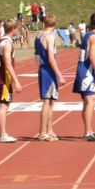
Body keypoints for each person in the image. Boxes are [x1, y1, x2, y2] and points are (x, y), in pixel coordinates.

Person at [73, 11, 95, 141]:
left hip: (83, 70)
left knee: (87, 102)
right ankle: (87, 132)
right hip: (87, 72)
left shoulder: (86, 35)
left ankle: (89, 130)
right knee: (90, 102)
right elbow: (92, 56)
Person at [35, 14, 64, 142]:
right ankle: (42, 132)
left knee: (51, 101)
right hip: (48, 70)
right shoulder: (50, 37)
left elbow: (36, 55)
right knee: (47, 102)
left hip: (43, 68)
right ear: (54, 24)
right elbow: (51, 58)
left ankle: (49, 130)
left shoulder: (38, 35)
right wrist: (60, 75)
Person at [0, 19, 21, 143]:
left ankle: (0, 132)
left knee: (5, 103)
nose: (18, 30)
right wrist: (16, 81)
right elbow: (8, 64)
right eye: (17, 28)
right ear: (13, 28)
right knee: (4, 104)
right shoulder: (7, 43)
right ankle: (3, 134)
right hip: (4, 77)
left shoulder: (2, 40)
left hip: (2, 76)